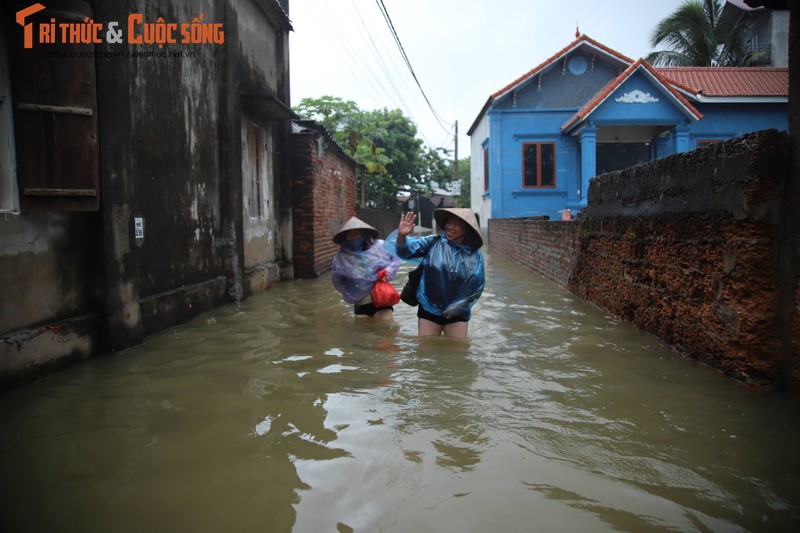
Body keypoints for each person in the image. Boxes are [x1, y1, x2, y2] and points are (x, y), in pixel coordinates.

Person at [394, 208, 485, 338]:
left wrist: (460, 305)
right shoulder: (433, 242)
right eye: (449, 222)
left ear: (467, 228)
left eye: (456, 224)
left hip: (457, 312)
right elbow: (405, 252)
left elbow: (477, 285)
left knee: (457, 352)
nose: (450, 227)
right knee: (426, 352)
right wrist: (402, 236)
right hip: (428, 308)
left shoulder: (474, 254)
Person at [331, 216, 401, 320]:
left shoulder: (380, 246)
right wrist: (347, 293)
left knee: (385, 330)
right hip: (361, 301)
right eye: (350, 234)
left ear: (364, 234)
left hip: (382, 297)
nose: (354, 237)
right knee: (363, 332)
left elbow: (396, 258)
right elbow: (337, 279)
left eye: (357, 233)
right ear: (346, 237)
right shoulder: (340, 258)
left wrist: (388, 271)